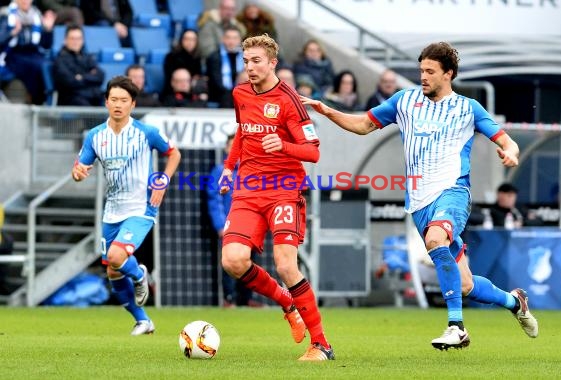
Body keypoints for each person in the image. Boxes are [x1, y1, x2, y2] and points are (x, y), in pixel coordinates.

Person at [302, 41, 538, 350]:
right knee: (464, 284)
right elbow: (362, 125)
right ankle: (514, 302)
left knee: (435, 240)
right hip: (420, 201)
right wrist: (327, 110)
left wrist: (510, 152)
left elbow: (506, 140)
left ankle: (457, 327)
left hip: (453, 192)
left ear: (448, 74)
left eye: (430, 71)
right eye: (421, 70)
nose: (423, 76)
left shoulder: (468, 108)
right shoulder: (404, 101)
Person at [218, 34, 334, 361]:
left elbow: (312, 152)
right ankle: (286, 303)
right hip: (248, 190)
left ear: (273, 63)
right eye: (246, 62)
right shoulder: (240, 93)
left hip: (284, 190)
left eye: (256, 61)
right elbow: (243, 131)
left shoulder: (289, 100)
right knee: (233, 261)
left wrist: (282, 145)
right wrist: (229, 167)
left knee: (285, 264)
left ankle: (321, 345)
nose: (250, 68)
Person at [71, 76, 181, 335]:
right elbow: (79, 169)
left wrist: (162, 181)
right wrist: (78, 173)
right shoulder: (95, 136)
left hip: (141, 208)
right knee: (113, 271)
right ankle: (143, 320)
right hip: (112, 211)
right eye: (113, 100)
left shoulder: (146, 132)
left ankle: (141, 275)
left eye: (123, 100)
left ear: (132, 104)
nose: (118, 105)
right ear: (106, 102)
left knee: (117, 257)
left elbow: (174, 153)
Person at [207, 133, 254, 307]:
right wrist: (220, 225)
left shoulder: (252, 171)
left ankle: (246, 299)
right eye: (232, 145)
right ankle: (229, 299)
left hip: (251, 226)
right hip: (230, 226)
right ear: (227, 149)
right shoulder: (220, 171)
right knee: (230, 262)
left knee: (249, 262)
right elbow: (214, 199)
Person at [0, 0, 56, 105]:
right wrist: (12, 32)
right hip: (12, 54)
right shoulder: (6, 15)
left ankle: (47, 98)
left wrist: (48, 30)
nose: (25, 1)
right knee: (36, 66)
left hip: (33, 54)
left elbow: (46, 45)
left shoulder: (37, 15)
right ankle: (37, 100)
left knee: (47, 64)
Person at [53, 24, 104, 106]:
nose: (75, 42)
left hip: (92, 96)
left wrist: (81, 77)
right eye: (72, 38)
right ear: (65, 40)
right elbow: (70, 82)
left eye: (78, 38)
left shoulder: (87, 57)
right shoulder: (60, 60)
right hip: (71, 100)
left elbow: (100, 76)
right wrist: (90, 76)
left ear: (83, 40)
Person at [205, 25, 243, 108]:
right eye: (228, 38)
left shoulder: (246, 57)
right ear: (223, 39)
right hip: (220, 97)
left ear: (240, 40)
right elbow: (217, 83)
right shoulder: (214, 57)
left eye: (235, 38)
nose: (231, 41)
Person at [163, 28, 203, 93]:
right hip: (173, 92)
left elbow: (198, 76)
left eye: (193, 40)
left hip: (192, 91)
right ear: (181, 40)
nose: (190, 42)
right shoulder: (171, 57)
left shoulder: (197, 57)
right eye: (187, 39)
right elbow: (170, 80)